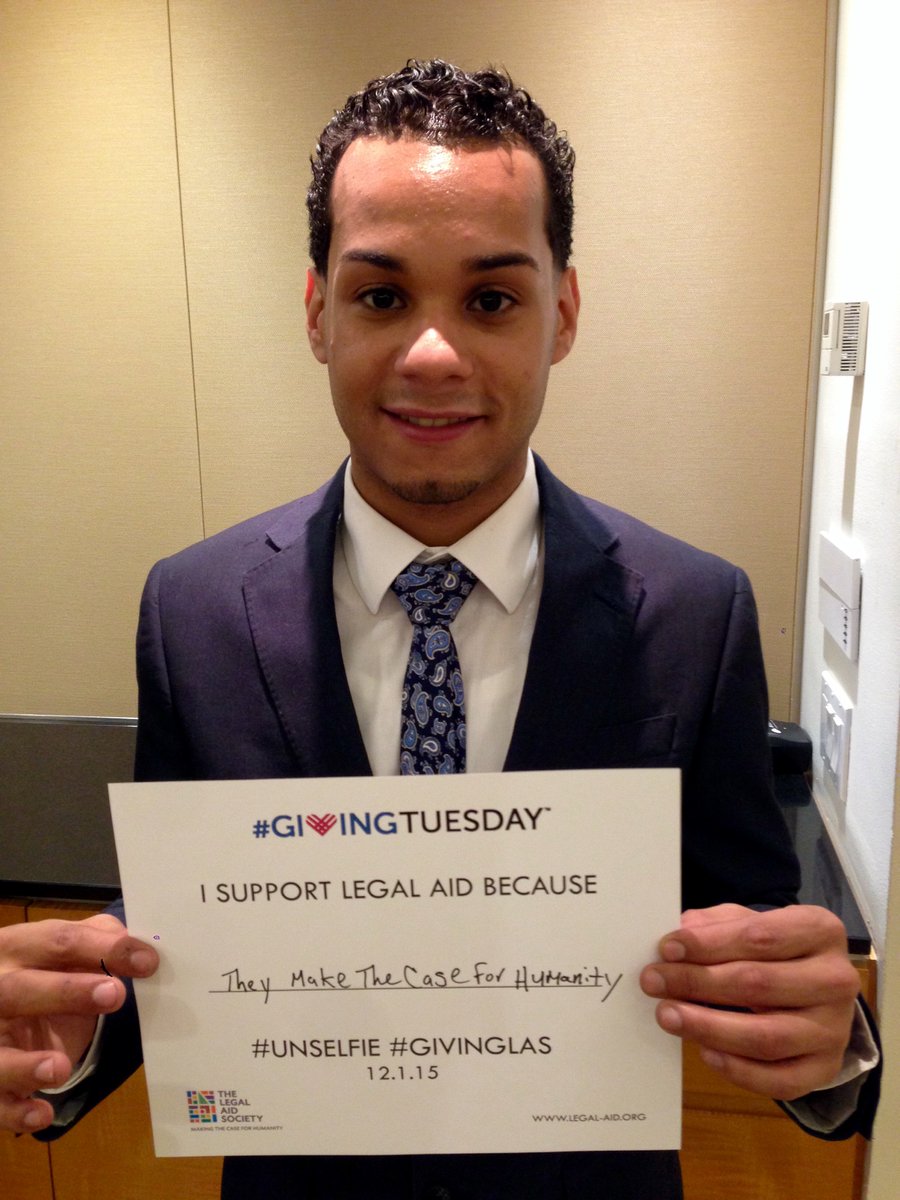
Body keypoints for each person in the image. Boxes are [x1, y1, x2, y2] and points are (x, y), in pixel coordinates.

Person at [0, 60, 879, 1199]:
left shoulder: (695, 613)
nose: (432, 354)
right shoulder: (193, 610)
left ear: (563, 314)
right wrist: (71, 1023)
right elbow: (184, 922)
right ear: (317, 313)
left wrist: (828, 1042)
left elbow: (754, 931)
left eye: (492, 300)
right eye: (380, 297)